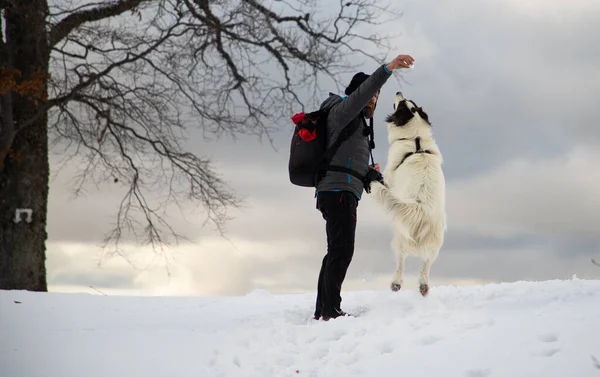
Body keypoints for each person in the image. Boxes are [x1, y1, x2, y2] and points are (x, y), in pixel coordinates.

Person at [313, 54, 415, 321]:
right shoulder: (343, 111)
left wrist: (370, 174)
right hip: (337, 193)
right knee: (342, 250)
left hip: (341, 191)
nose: (373, 99)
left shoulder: (355, 126)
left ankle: (323, 308)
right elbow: (362, 93)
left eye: (376, 96)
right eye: (370, 94)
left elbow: (344, 163)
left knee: (336, 250)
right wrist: (388, 69)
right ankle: (331, 311)